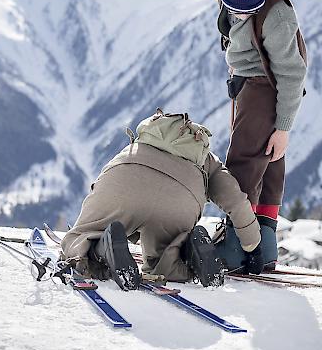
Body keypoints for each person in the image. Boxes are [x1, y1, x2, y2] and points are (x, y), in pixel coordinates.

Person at [61, 110, 264, 290]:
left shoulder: (142, 141)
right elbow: (236, 201)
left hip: (121, 183)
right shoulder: (206, 159)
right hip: (179, 202)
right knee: (165, 258)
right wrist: (252, 247)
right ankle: (186, 254)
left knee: (80, 238)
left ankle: (101, 249)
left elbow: (106, 175)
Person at [210, 0, 308, 270]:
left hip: (267, 86)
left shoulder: (276, 17)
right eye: (231, 8)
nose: (237, 15)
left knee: (244, 164)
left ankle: (237, 247)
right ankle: (264, 248)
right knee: (266, 164)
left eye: (244, 11)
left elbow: (293, 75)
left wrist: (283, 128)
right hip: (245, 83)